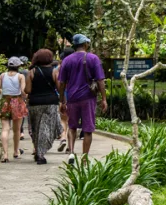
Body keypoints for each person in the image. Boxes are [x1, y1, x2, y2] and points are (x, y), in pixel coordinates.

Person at [57, 34, 106, 165]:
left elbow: (61, 83)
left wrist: (62, 100)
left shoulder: (67, 60)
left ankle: (72, 151)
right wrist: (104, 99)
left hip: (72, 98)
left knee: (72, 127)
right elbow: (100, 80)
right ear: (85, 44)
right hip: (88, 98)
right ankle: (84, 158)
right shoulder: (93, 58)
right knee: (88, 129)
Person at [26, 49, 59, 164]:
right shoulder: (54, 71)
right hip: (50, 102)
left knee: (36, 128)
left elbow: (27, 90)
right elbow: (59, 87)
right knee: (46, 128)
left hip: (35, 103)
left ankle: (38, 151)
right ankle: (41, 154)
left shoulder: (32, 72)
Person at [0, 57, 29, 162]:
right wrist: (26, 97)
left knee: (5, 129)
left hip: (4, 101)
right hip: (17, 102)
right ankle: (15, 152)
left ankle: (5, 154)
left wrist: (4, 90)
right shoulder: (21, 76)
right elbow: (23, 91)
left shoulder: (2, 75)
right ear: (18, 66)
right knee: (17, 129)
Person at [56, 45, 73, 153]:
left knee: (63, 119)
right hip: (74, 95)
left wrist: (61, 99)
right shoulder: (77, 65)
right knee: (72, 121)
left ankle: (63, 138)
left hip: (62, 94)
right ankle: (70, 147)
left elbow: (59, 83)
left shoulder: (58, 68)